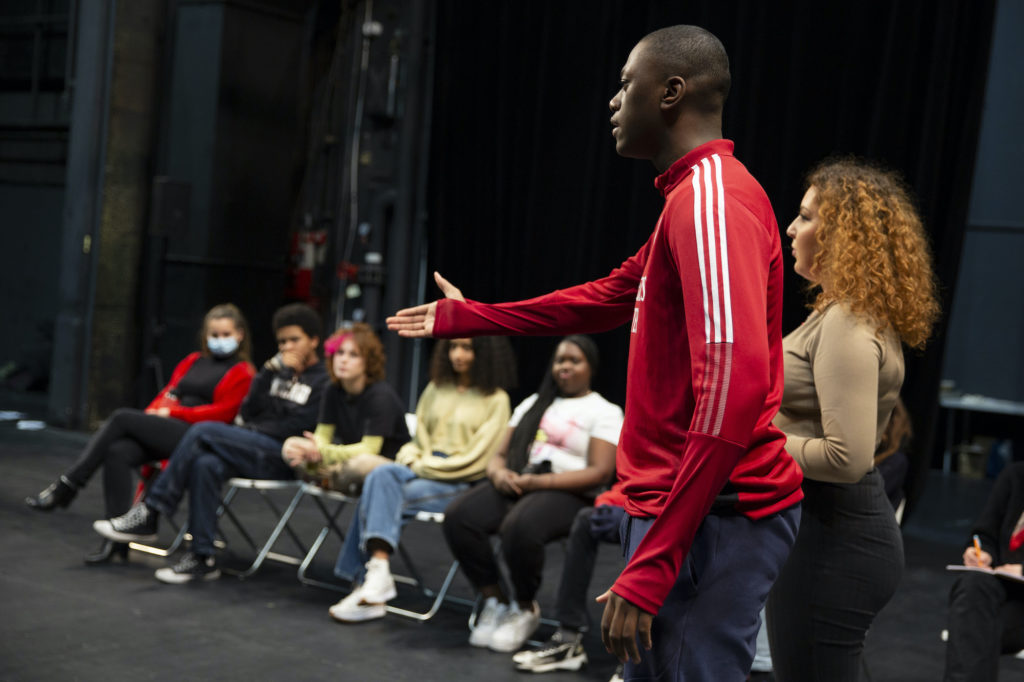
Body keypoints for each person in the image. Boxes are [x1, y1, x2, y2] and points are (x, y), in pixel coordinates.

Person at [388, 25, 804, 681]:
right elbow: (607, 296)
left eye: (624, 83)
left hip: (710, 519)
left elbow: (734, 390)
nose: (614, 101)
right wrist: (473, 316)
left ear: (670, 91)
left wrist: (656, 562)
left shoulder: (712, 202)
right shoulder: (685, 201)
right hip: (679, 514)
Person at [766, 158, 940, 681]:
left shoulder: (846, 321)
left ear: (843, 233)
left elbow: (846, 458)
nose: (791, 228)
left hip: (837, 538)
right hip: (829, 531)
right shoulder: (839, 312)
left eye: (805, 217)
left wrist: (753, 438)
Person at [92, 303, 329, 584]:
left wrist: (255, 428)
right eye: (282, 341)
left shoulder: (324, 381)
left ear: (313, 340)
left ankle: (153, 510)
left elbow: (295, 427)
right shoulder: (275, 372)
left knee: (205, 431)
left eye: (295, 340)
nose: (287, 347)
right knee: (206, 463)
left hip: (284, 455)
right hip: (252, 444)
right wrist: (268, 371)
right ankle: (202, 557)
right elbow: (249, 410)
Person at [25, 303, 255, 564]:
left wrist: (172, 414)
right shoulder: (193, 361)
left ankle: (68, 485)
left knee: (121, 417)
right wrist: (155, 414)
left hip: (199, 436)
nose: (219, 341)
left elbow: (221, 415)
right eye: (214, 335)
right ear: (205, 335)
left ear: (240, 335)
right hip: (170, 428)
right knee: (118, 450)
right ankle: (116, 542)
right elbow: (168, 392)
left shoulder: (244, 373)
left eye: (226, 335)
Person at [443, 335, 623, 652]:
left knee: (520, 526)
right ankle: (495, 600)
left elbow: (600, 472)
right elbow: (499, 456)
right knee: (460, 516)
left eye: (574, 360)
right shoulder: (533, 402)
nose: (565, 366)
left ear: (590, 367)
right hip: (521, 482)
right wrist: (499, 474)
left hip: (570, 492)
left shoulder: (604, 411)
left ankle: (525, 607)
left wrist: (538, 484)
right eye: (559, 360)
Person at [327, 336, 515, 622]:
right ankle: (377, 574)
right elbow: (419, 440)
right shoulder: (436, 388)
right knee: (381, 474)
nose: (458, 354)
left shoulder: (496, 399)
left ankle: (365, 584)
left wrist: (424, 465)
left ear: (483, 353)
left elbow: (478, 459)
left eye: (466, 347)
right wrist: (413, 458)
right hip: (423, 467)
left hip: (459, 481)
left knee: (381, 495)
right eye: (453, 347)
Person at [511, 483, 626, 674]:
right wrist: (610, 500)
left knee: (646, 534)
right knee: (586, 519)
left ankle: (639, 661)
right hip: (638, 501)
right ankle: (568, 639)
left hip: (672, 508)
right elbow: (634, 475)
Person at [281, 323, 409, 494]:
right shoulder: (332, 389)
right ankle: (332, 478)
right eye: (340, 353)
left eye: (353, 355)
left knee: (361, 463)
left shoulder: (381, 396)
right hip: (345, 463)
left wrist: (322, 452)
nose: (343, 359)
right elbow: (323, 435)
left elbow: (370, 449)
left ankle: (328, 479)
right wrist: (315, 449)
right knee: (290, 446)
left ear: (368, 362)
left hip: (384, 466)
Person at [944, 461, 1024, 681]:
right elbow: (983, 534)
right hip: (1001, 591)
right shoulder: (1016, 476)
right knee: (972, 586)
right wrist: (981, 551)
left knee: (974, 628)